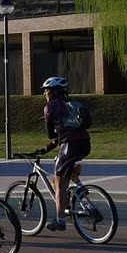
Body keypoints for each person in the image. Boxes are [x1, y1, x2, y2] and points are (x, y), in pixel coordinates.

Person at [41, 76, 90, 231]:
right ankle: (79, 188)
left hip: (70, 146)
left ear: (53, 92)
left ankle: (60, 220)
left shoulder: (50, 107)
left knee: (60, 183)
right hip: (85, 144)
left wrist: (54, 140)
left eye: (46, 91)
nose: (45, 94)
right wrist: (52, 145)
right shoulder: (74, 104)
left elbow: (51, 133)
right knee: (64, 167)